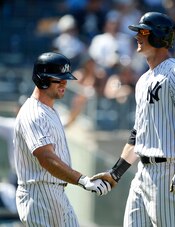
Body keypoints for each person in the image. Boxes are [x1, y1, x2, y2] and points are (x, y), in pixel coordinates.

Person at [92, 12, 175, 227]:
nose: (137, 36)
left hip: (171, 169)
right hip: (143, 172)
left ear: (159, 36)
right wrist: (116, 173)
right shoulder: (143, 80)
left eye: (143, 32)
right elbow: (138, 134)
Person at [13, 52, 111, 226]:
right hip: (39, 196)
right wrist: (83, 180)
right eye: (59, 79)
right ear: (43, 79)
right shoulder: (33, 113)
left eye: (65, 78)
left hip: (56, 193)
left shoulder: (49, 110)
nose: (65, 83)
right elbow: (46, 158)